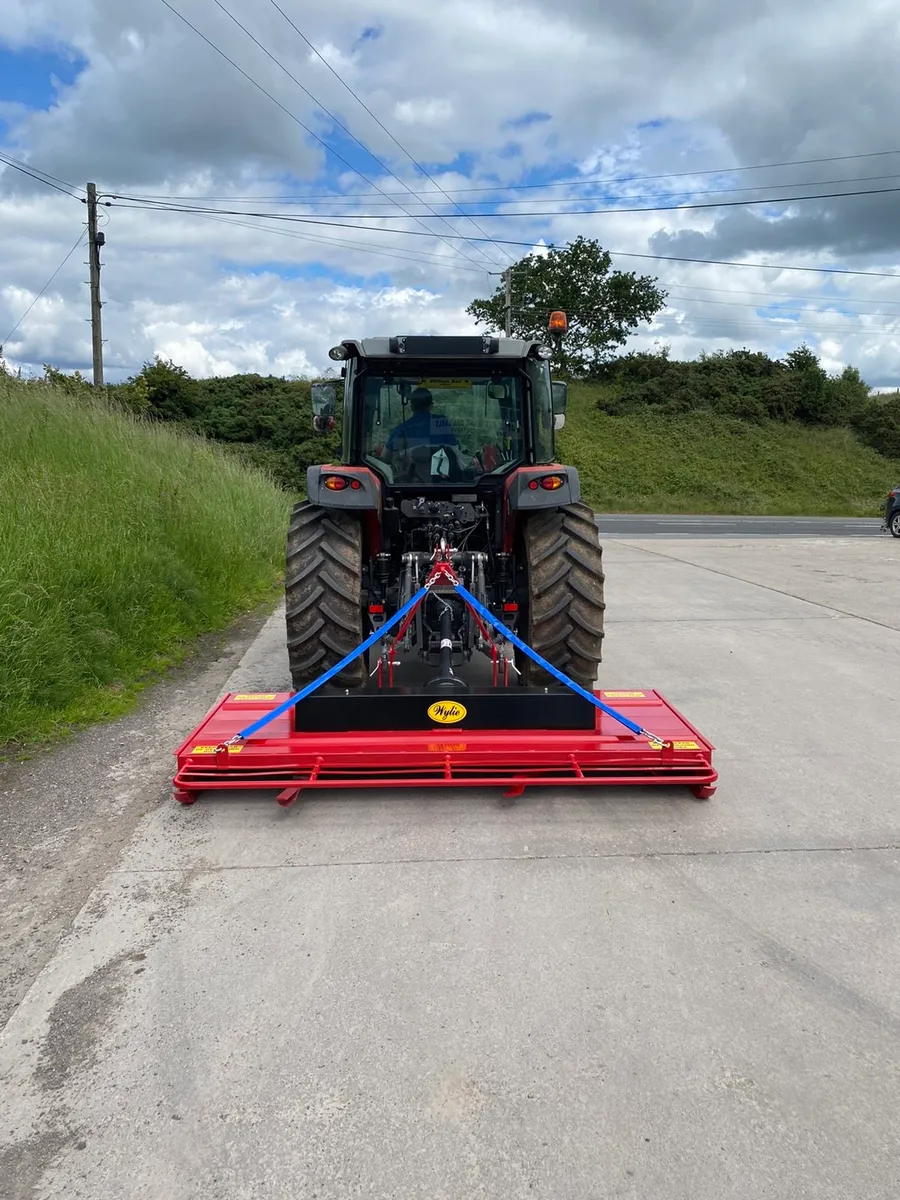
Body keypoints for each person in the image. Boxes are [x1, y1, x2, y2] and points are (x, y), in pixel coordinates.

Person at [385, 387, 458, 458]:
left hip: (411, 470)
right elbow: (454, 450)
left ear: (412, 407)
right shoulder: (441, 424)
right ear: (431, 406)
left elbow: (387, 457)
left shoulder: (401, 430)